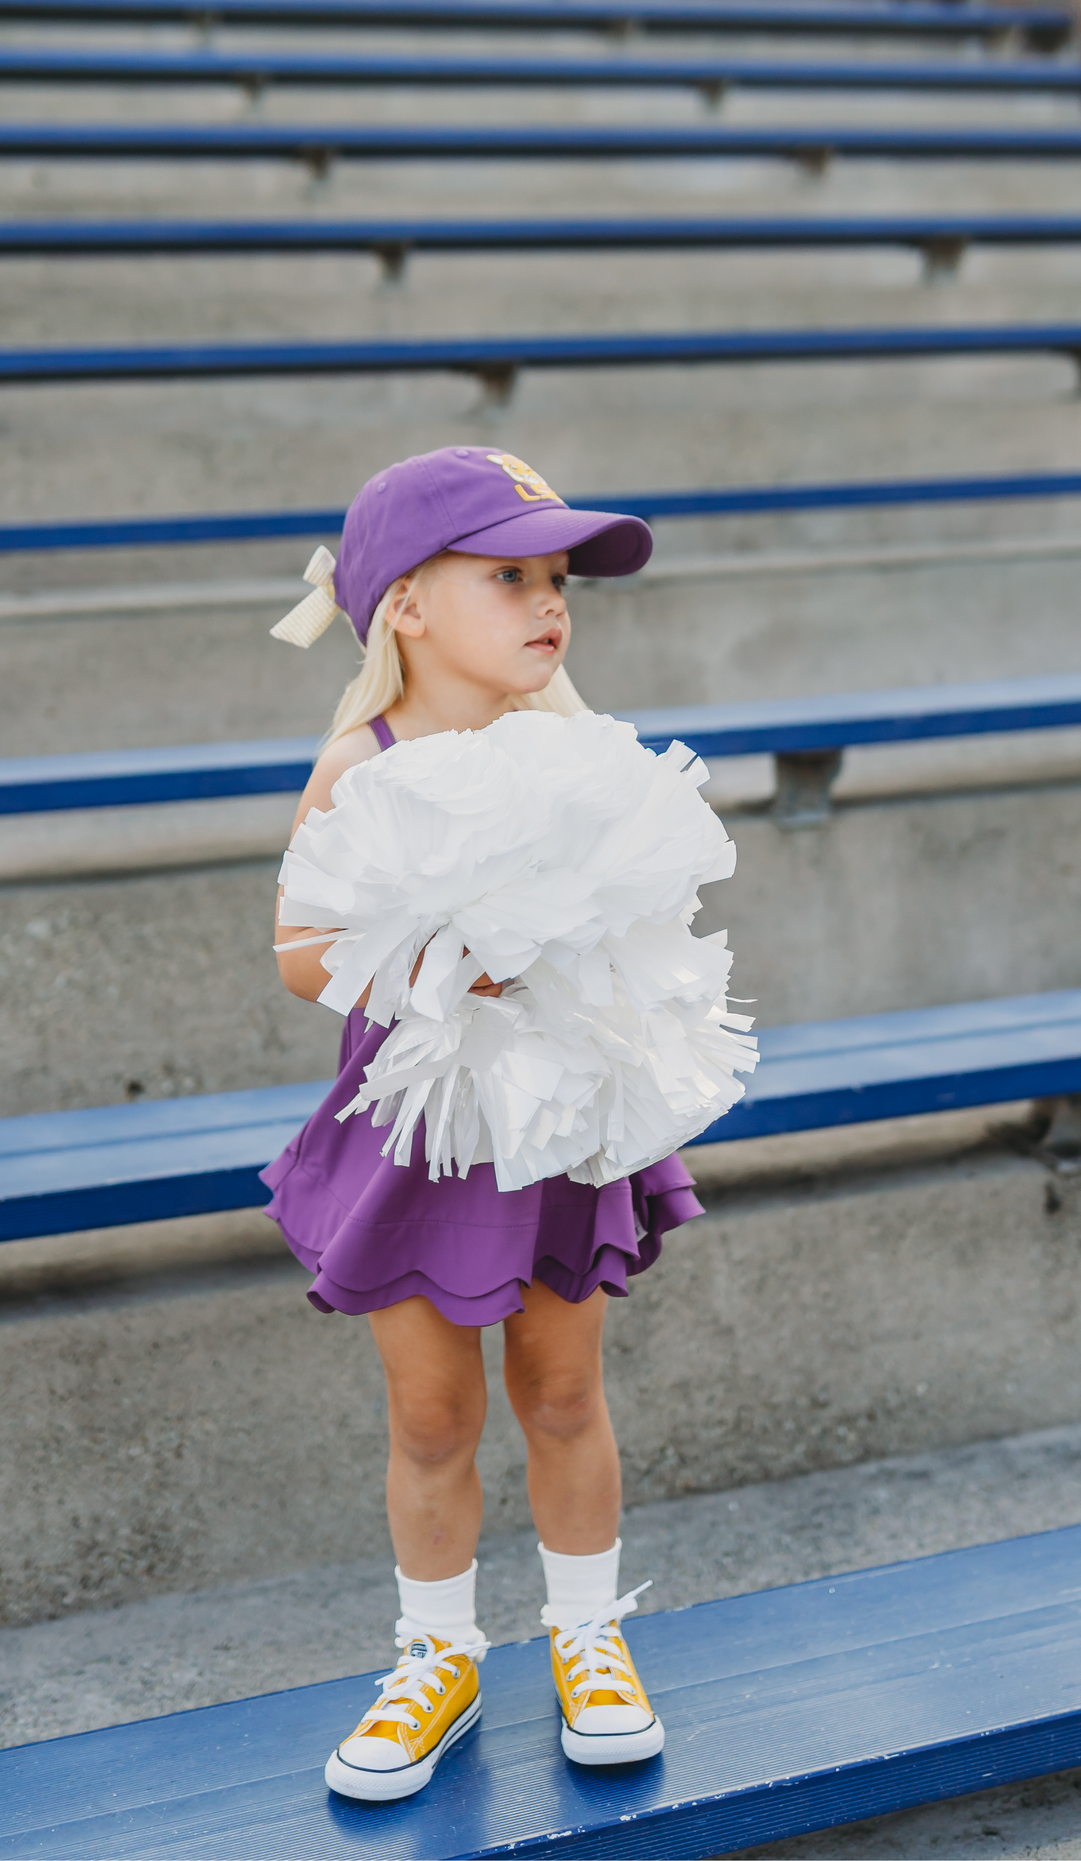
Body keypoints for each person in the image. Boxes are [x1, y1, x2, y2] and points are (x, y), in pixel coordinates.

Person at [262, 446, 706, 1803]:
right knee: (432, 1413)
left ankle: (588, 1632)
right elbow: (297, 951)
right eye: (506, 576)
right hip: (420, 1136)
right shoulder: (364, 760)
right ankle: (437, 1655)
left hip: (558, 1125)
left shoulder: (578, 754)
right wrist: (449, 964)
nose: (546, 603)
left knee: (564, 1392)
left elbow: (651, 919)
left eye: (556, 579)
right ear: (402, 604)